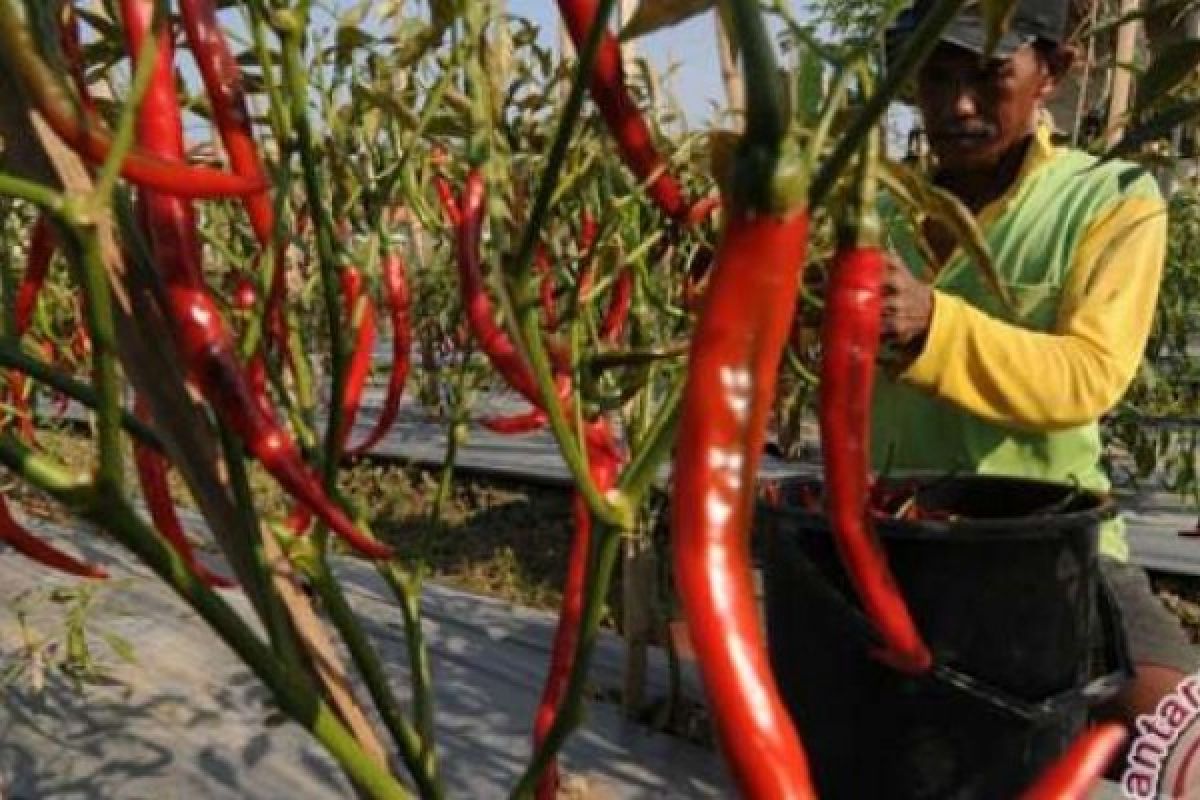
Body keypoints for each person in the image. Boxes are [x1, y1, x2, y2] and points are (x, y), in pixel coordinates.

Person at [878, 0, 1195, 727]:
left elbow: (1089, 376)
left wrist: (934, 326)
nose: (957, 105)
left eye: (989, 75)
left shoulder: (1111, 199)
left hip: (1049, 542)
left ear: (1052, 70)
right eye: (936, 76)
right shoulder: (876, 202)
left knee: (1181, 737)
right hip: (890, 534)